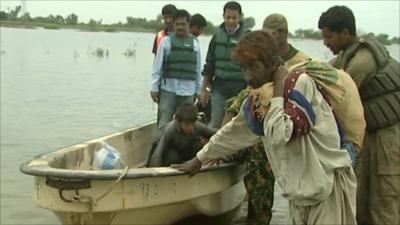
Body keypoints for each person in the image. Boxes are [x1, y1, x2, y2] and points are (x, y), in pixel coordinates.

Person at [174, 30, 358, 224]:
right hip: (298, 195)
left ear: (272, 64)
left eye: (254, 67)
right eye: (243, 68)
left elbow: (280, 134)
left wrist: (279, 88)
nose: (248, 76)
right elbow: (233, 132)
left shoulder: (299, 85)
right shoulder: (258, 98)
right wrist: (200, 159)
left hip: (328, 190)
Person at [221, 14, 311, 225]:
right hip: (261, 148)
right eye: (244, 69)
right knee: (261, 199)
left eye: (269, 34)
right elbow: (237, 107)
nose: (248, 75)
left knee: (276, 201)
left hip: (284, 149)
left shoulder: (300, 68)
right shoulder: (257, 77)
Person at [318, 5, 400, 225]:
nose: (325, 43)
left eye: (328, 37)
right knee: (360, 200)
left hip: (387, 140)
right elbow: (322, 71)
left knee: (384, 202)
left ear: (345, 33)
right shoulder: (349, 53)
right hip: (369, 137)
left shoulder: (362, 62)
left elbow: (336, 93)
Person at [150, 9, 203, 131]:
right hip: (168, 89)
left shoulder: (195, 44)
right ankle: (160, 147)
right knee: (164, 122)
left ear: (189, 25)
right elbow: (157, 67)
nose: (180, 27)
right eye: (177, 24)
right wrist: (154, 88)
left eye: (183, 24)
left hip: (188, 91)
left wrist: (199, 91)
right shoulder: (165, 42)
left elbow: (198, 69)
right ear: (173, 25)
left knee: (187, 123)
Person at [200, 1, 247, 128]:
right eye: (228, 18)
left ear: (240, 17)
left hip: (241, 89)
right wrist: (203, 89)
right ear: (223, 17)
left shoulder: (247, 37)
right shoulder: (216, 37)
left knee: (237, 126)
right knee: (215, 124)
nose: (231, 21)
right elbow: (209, 65)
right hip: (219, 87)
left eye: (234, 18)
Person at [147, 103, 216, 167]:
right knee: (172, 157)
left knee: (198, 146)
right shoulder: (170, 129)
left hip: (186, 153)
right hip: (171, 156)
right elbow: (158, 153)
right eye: (187, 124)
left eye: (192, 123)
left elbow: (217, 134)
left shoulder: (197, 126)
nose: (190, 127)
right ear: (178, 122)